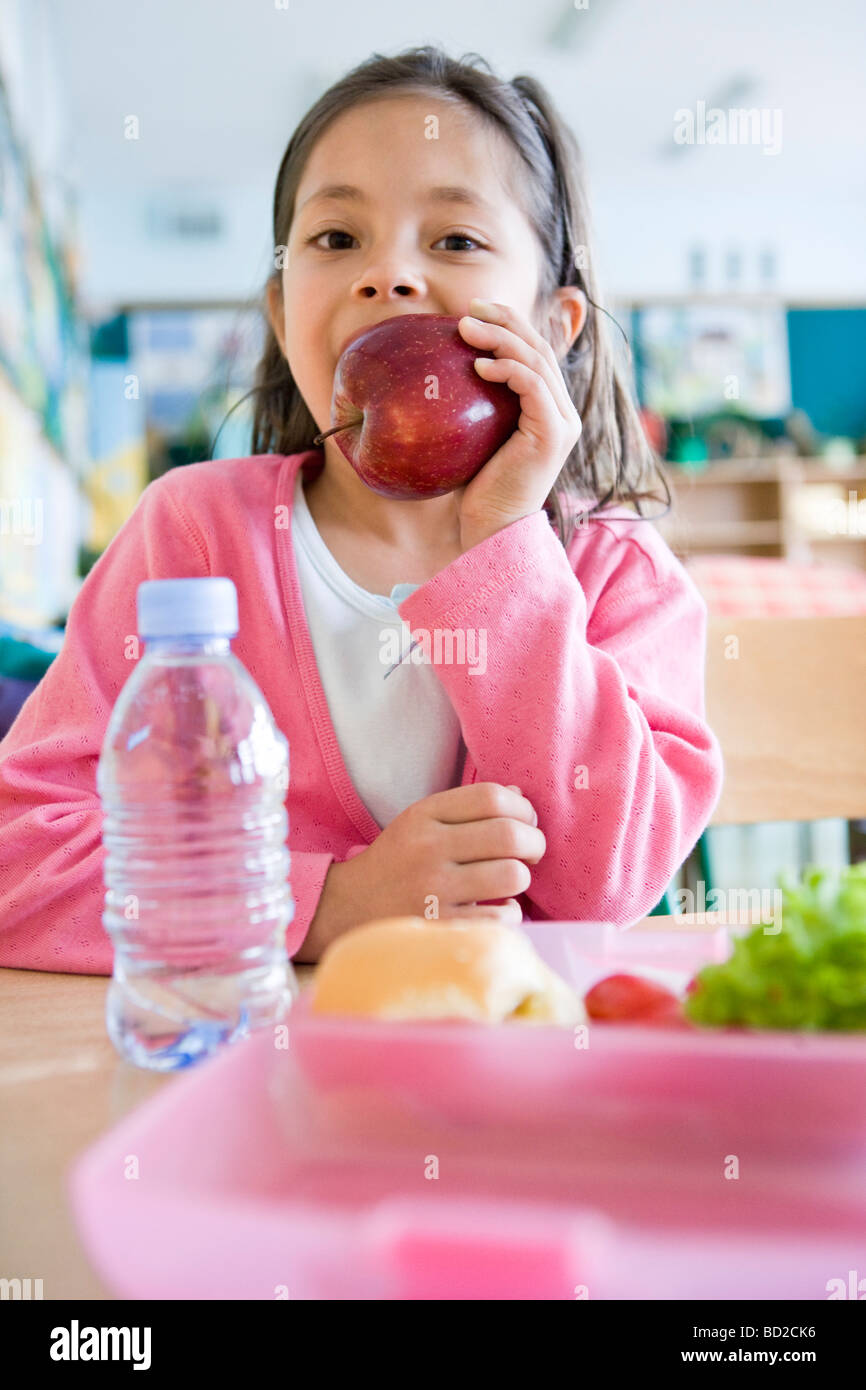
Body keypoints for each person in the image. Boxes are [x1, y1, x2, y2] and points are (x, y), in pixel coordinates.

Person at [0, 46, 722, 972]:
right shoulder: (191, 532)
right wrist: (326, 904)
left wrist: (503, 542)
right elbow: (23, 858)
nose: (388, 276)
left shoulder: (616, 568)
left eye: (455, 240)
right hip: (255, 1084)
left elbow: (605, 883)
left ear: (552, 325)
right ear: (281, 310)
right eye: (337, 239)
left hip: (522, 1078)